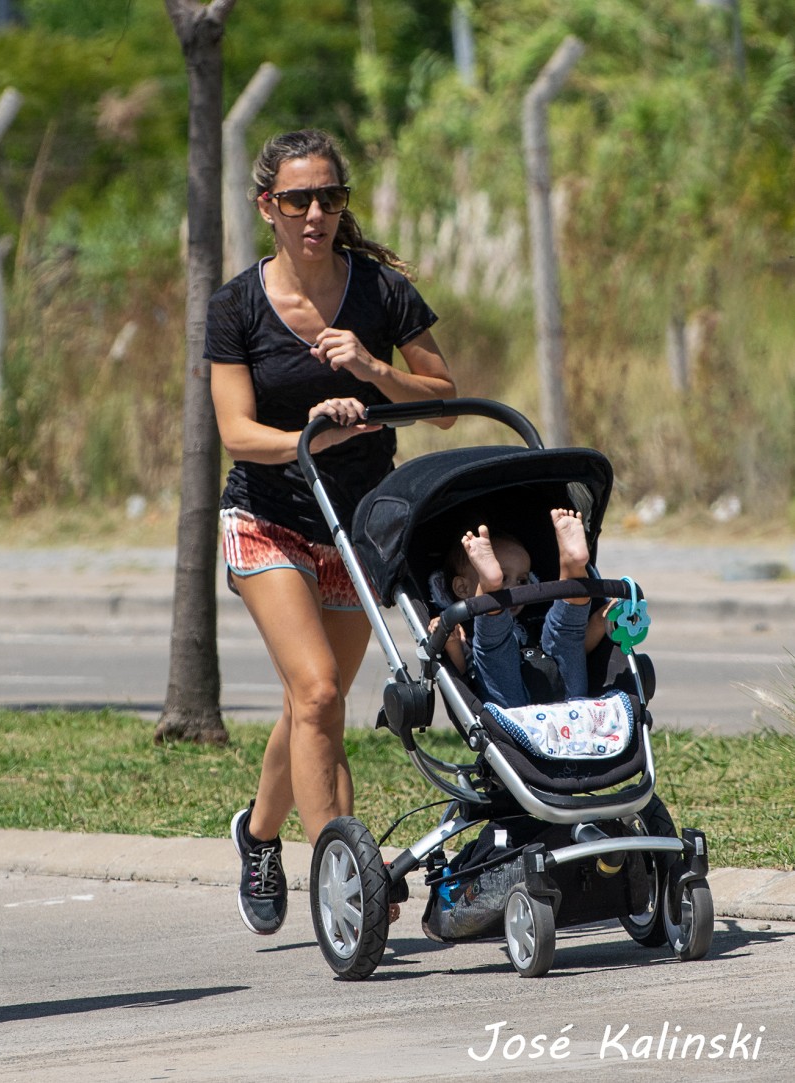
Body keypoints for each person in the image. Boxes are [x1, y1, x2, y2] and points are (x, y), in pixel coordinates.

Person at [208, 129, 457, 937]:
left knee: (313, 703)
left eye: (330, 198)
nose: (315, 213)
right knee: (316, 690)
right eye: (297, 200)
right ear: (266, 207)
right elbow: (238, 432)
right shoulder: (237, 305)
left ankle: (257, 832)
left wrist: (373, 372)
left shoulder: (381, 292)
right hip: (268, 514)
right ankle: (344, 880)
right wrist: (316, 436)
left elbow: (443, 399)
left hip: (358, 522)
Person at [441, 508, 608, 709]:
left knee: (566, 633)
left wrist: (602, 618)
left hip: (570, 702)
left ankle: (572, 569)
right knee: (494, 645)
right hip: (510, 706)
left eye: (522, 580)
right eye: (504, 578)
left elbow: (575, 648)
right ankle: (490, 591)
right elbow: (459, 675)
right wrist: (449, 640)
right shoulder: (463, 628)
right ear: (462, 587)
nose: (516, 589)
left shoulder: (532, 619)